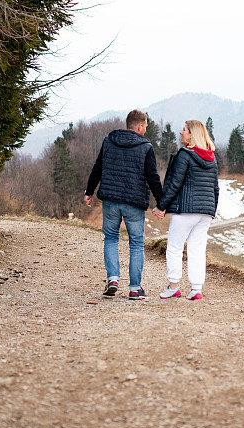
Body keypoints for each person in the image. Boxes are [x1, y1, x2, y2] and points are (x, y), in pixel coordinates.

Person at [84, 110, 164, 300]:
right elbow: (152, 177)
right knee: (136, 243)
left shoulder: (109, 141)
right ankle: (135, 289)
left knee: (111, 238)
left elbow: (98, 167)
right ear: (138, 126)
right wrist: (161, 202)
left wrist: (89, 192)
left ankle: (112, 279)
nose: (146, 129)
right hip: (134, 203)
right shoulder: (146, 147)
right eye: (145, 126)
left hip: (111, 200)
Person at [155, 120, 219, 300]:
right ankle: (196, 289)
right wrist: (212, 210)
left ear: (192, 134)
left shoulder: (185, 155)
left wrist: (161, 206)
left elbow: (175, 184)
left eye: (184, 130)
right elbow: (215, 188)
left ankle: (174, 286)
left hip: (186, 210)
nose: (181, 132)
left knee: (174, 247)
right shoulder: (212, 158)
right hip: (205, 211)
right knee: (197, 249)